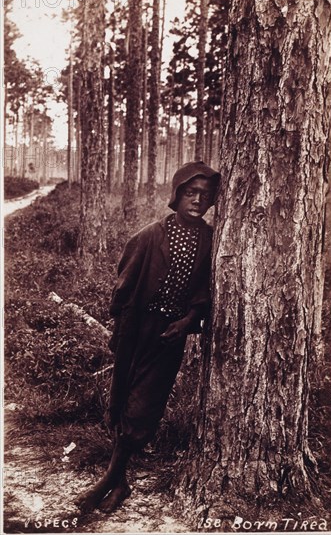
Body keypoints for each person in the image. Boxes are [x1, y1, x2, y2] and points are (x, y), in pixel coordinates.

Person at [75, 160, 220, 514]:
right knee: (123, 400)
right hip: (137, 330)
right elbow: (123, 288)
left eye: (204, 194)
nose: (197, 200)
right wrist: (120, 331)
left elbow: (205, 292)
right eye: (190, 192)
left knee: (144, 406)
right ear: (177, 195)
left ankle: (110, 478)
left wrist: (186, 322)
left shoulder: (211, 241)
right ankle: (119, 480)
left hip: (171, 335)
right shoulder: (148, 236)